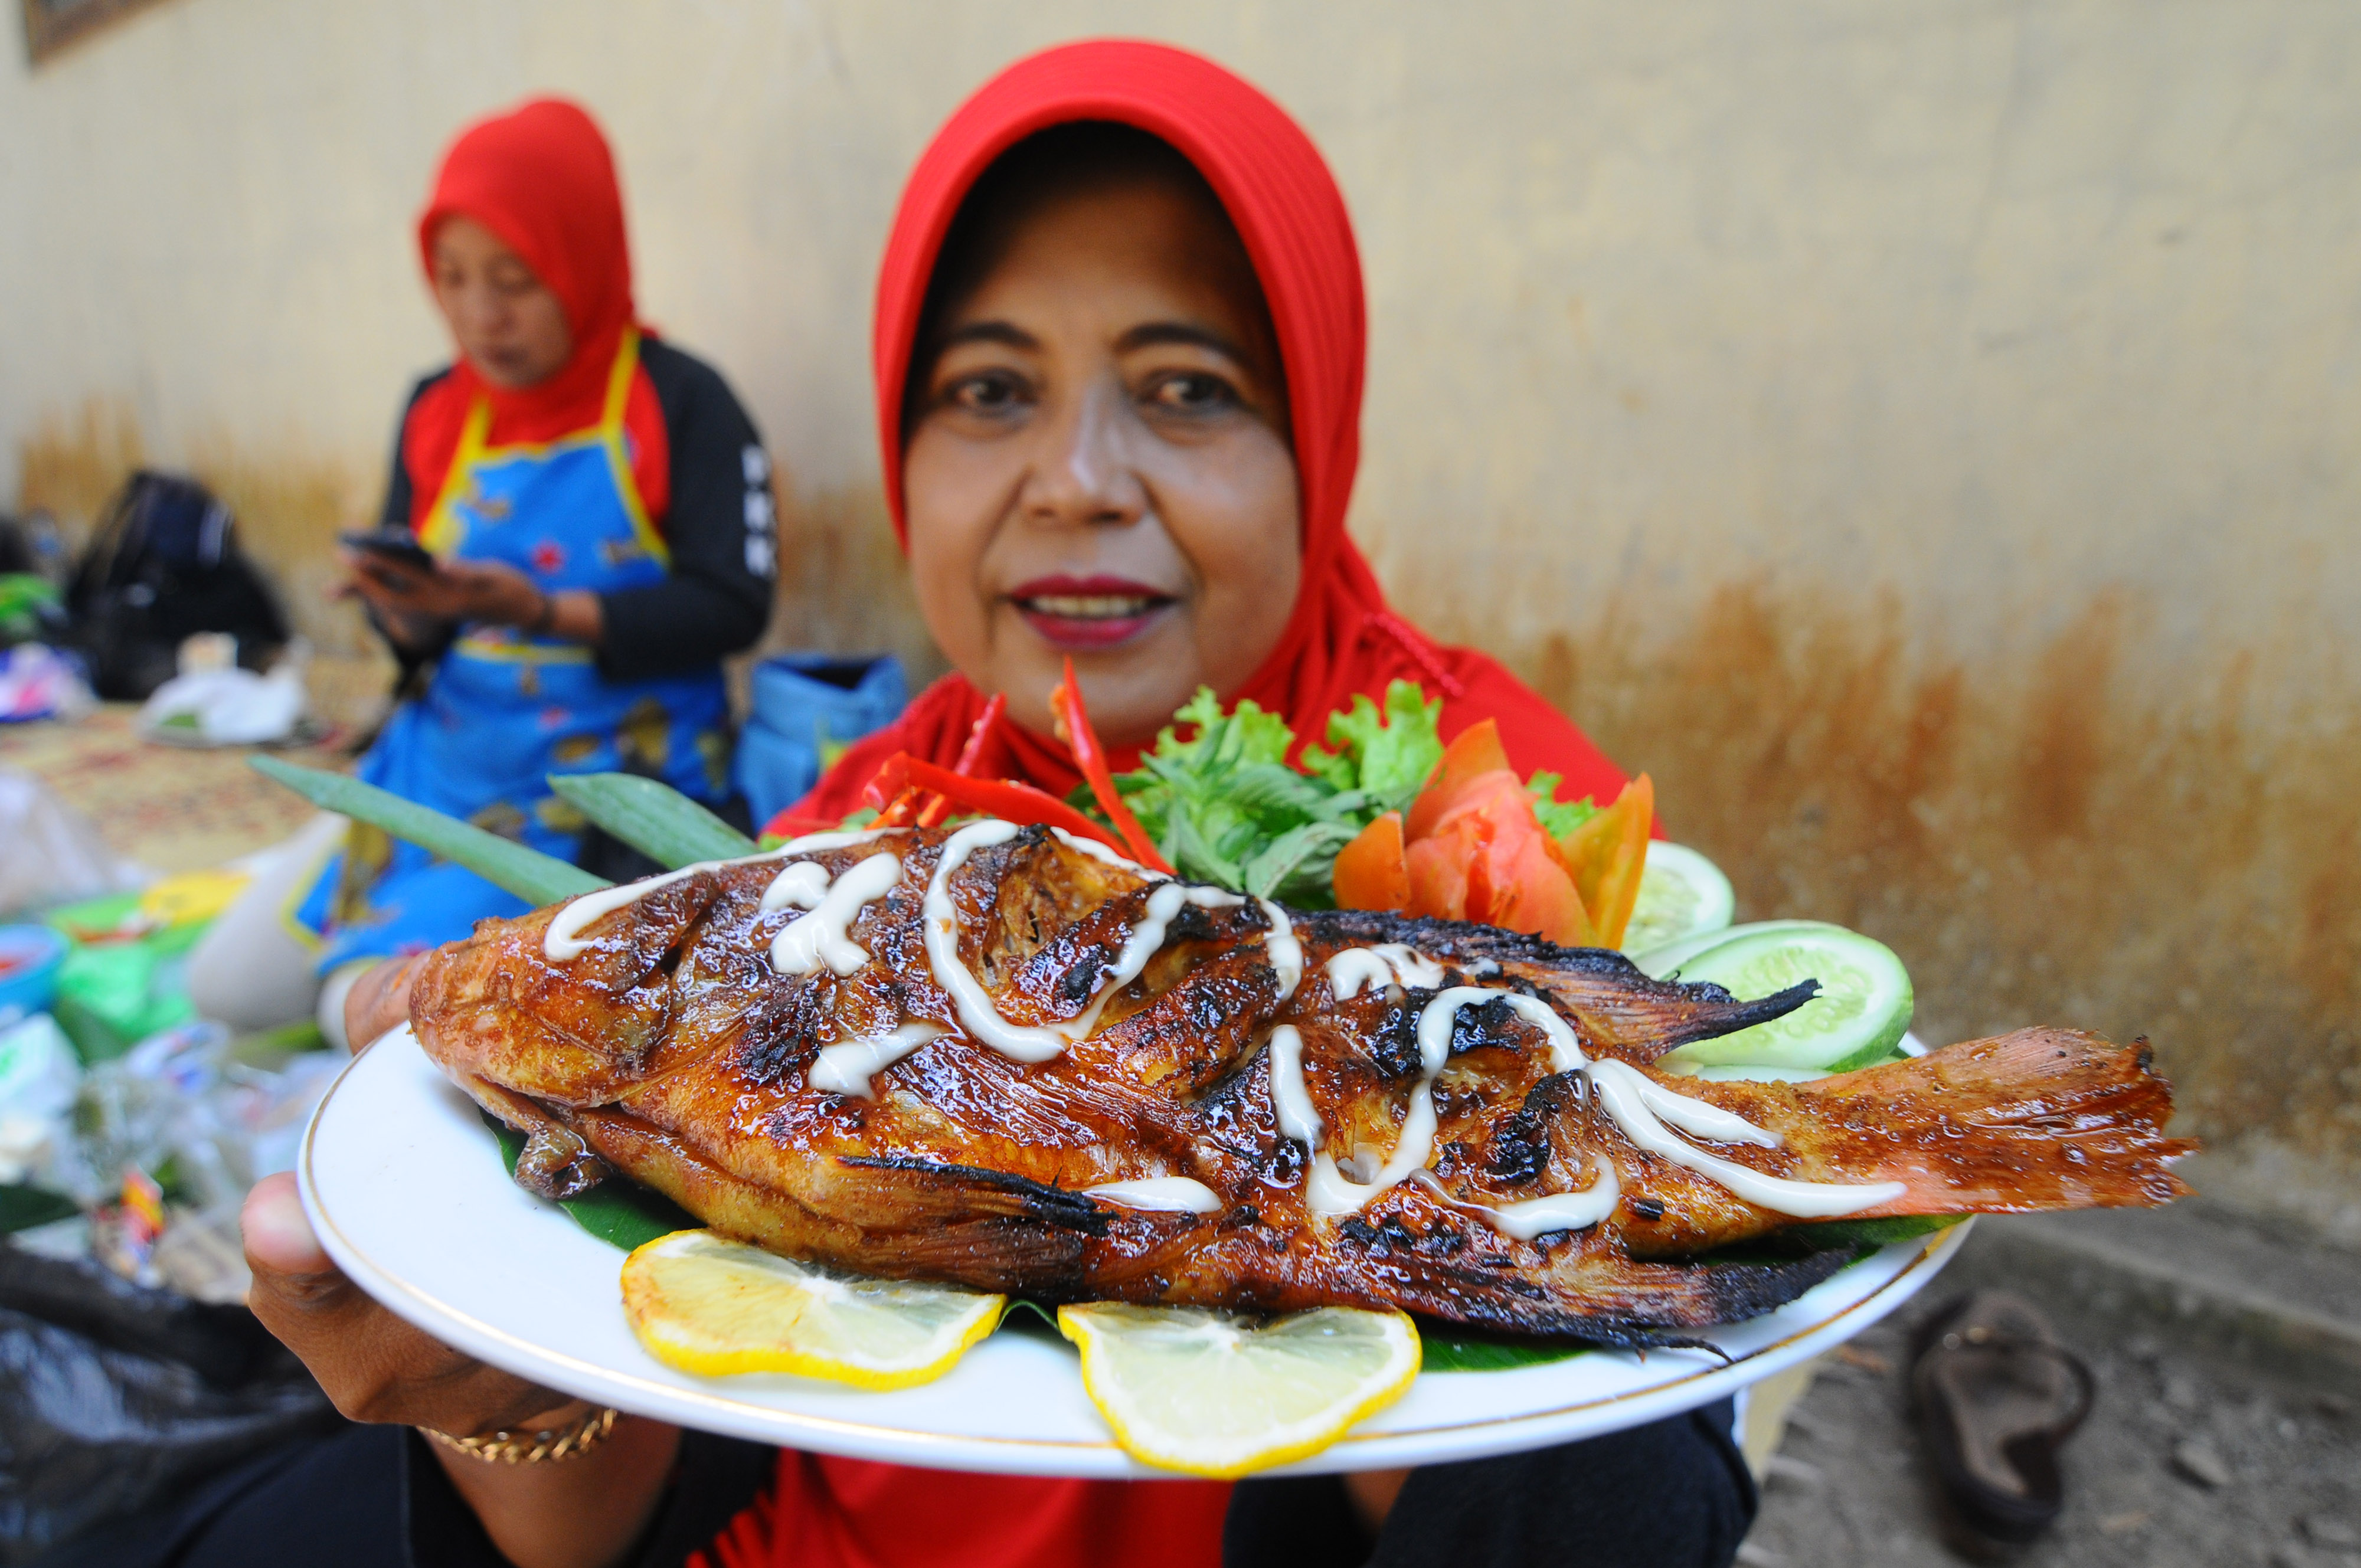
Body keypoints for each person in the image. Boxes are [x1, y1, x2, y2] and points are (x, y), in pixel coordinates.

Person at [118, 42, 1755, 1568]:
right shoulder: (849, 844)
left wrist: (1359, 1173)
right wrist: (500, 1386)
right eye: (988, 391)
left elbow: (1647, 1511)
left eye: (1186, 388)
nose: (1076, 479)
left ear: (1315, 431)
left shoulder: (1519, 847)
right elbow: (651, 1473)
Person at [186, 97, 777, 1046]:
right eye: (452, 279)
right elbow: (410, 636)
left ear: (581, 264)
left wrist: (539, 608)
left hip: (606, 794)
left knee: (392, 1026)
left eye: (514, 280)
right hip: (444, 770)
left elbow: (733, 605)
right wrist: (411, 612)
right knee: (226, 986)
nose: (479, 316)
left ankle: (371, 1013)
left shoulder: (679, 401)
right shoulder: (433, 410)